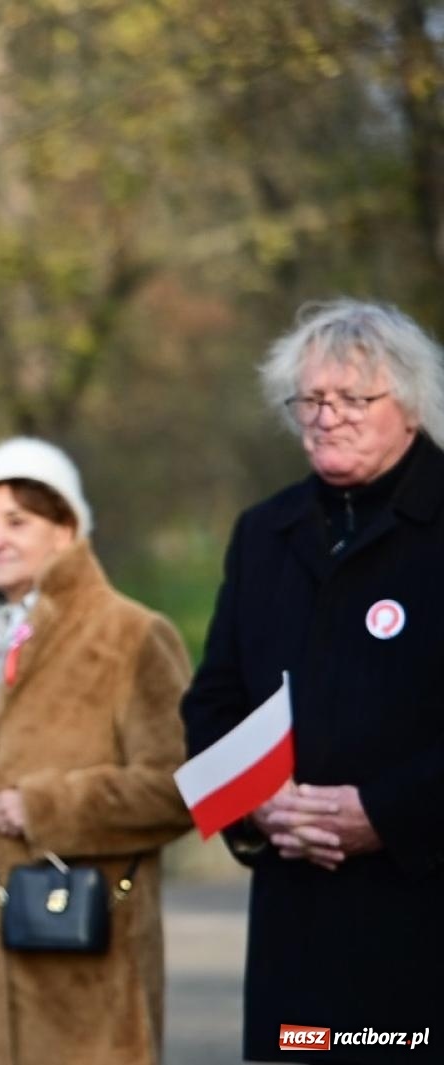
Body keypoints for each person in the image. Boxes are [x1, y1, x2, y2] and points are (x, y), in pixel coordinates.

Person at [181, 299, 444, 1063]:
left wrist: (384, 813)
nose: (327, 416)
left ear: (412, 406)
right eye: (310, 399)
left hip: (419, 917)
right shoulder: (265, 532)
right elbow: (214, 701)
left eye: (353, 398)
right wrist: (254, 804)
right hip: (296, 920)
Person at [0, 437, 192, 1065]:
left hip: (91, 970)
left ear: (66, 529)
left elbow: (182, 788)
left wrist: (47, 807)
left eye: (17, 521)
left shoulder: (133, 634)